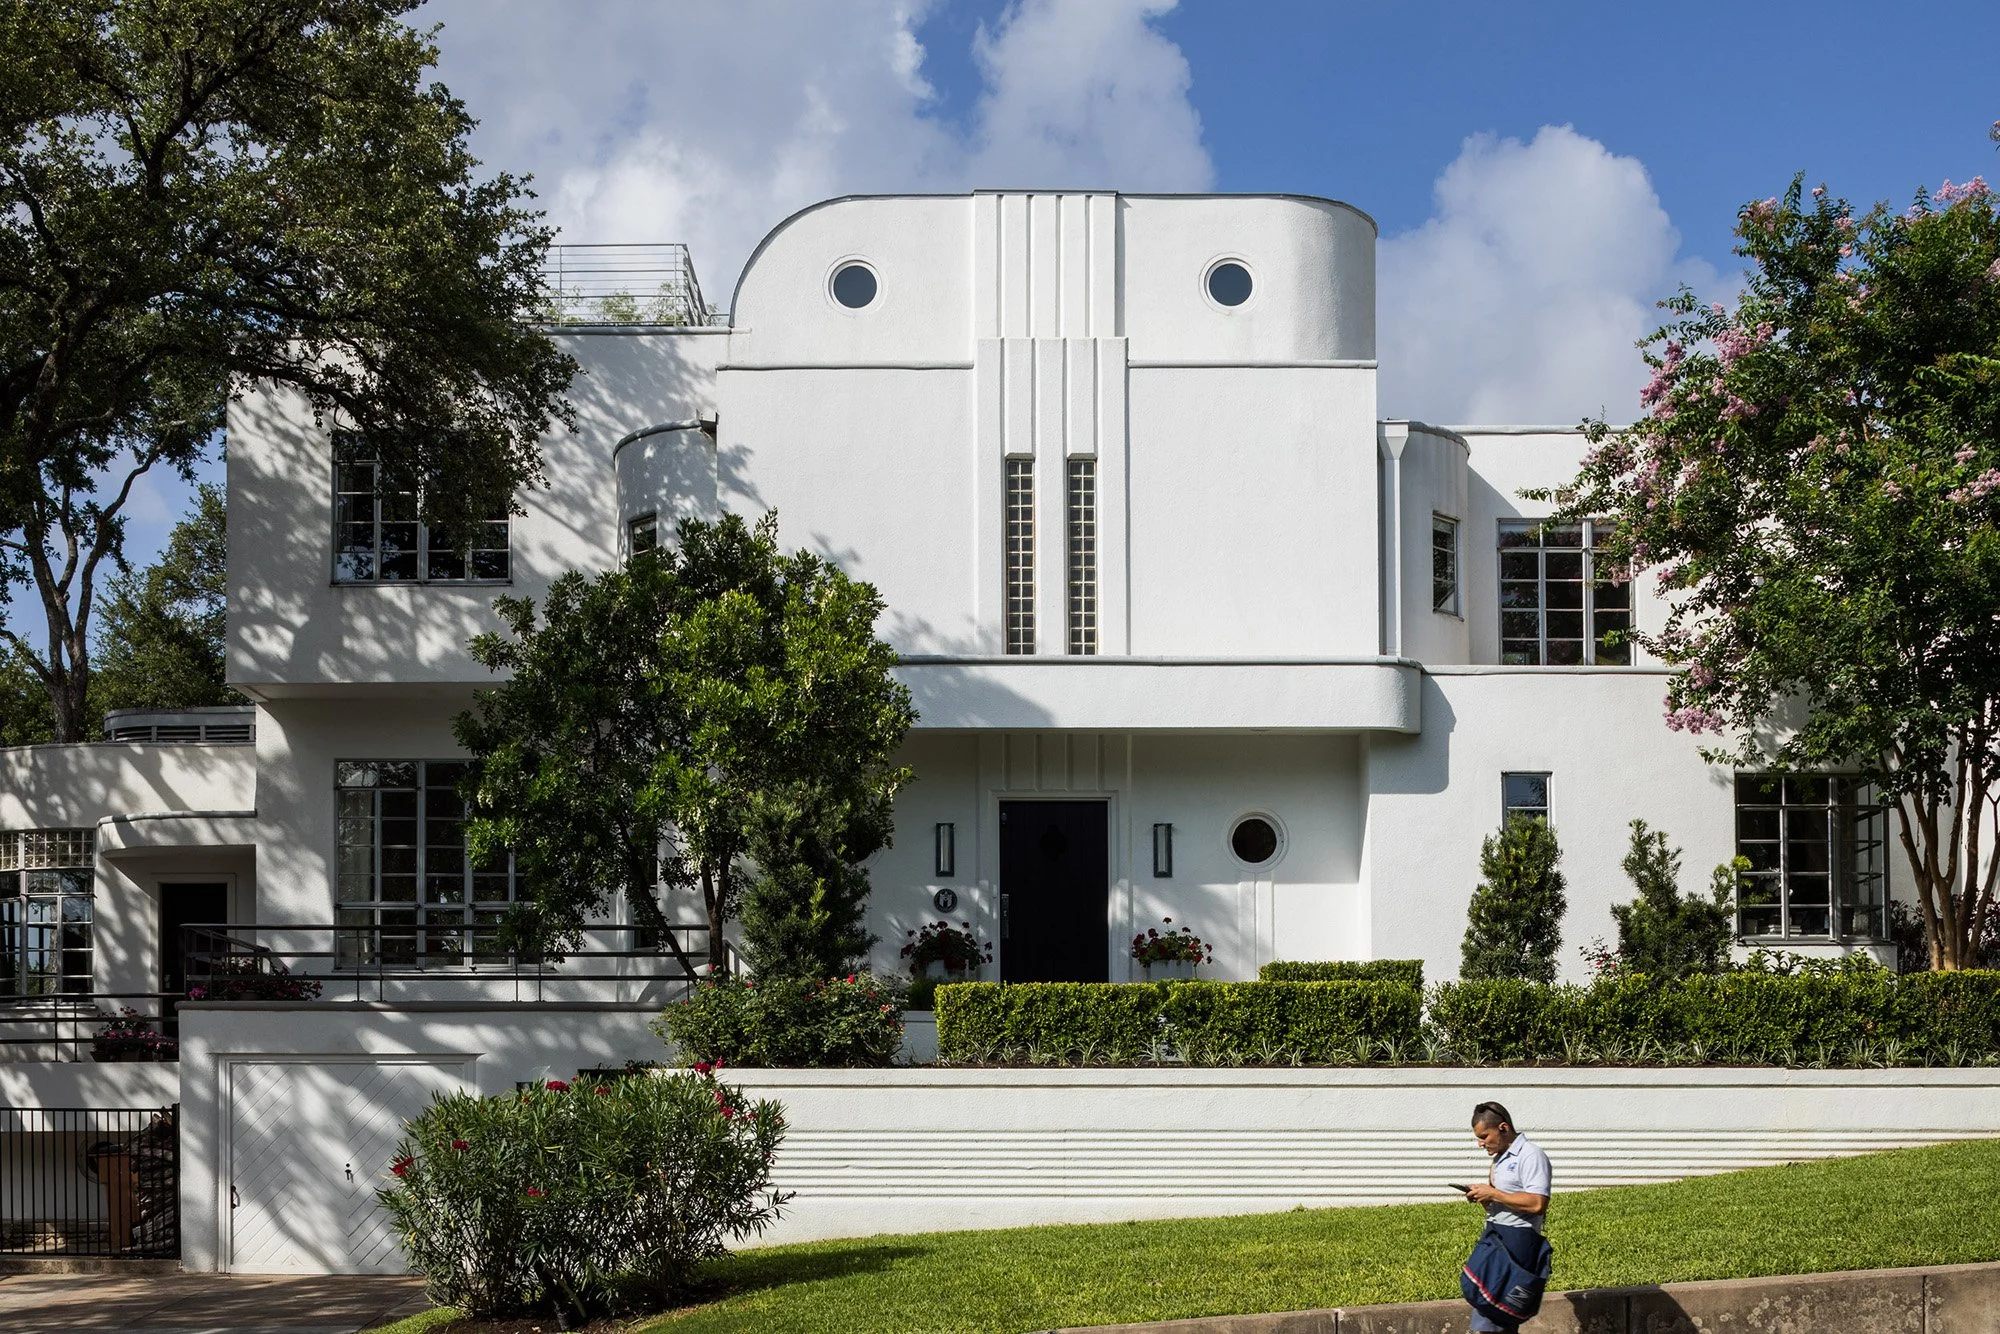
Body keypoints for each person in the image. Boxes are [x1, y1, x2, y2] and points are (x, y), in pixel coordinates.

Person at [1459, 1101, 1553, 1333]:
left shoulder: (1531, 1155)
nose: (1480, 1143)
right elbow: (1499, 1202)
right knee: (1487, 1302)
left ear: (1503, 1127)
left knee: (1495, 1311)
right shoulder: (1499, 1160)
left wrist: (1493, 1192)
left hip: (1518, 1239)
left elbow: (1538, 1203)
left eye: (1484, 1136)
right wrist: (1484, 1198)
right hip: (1495, 1233)